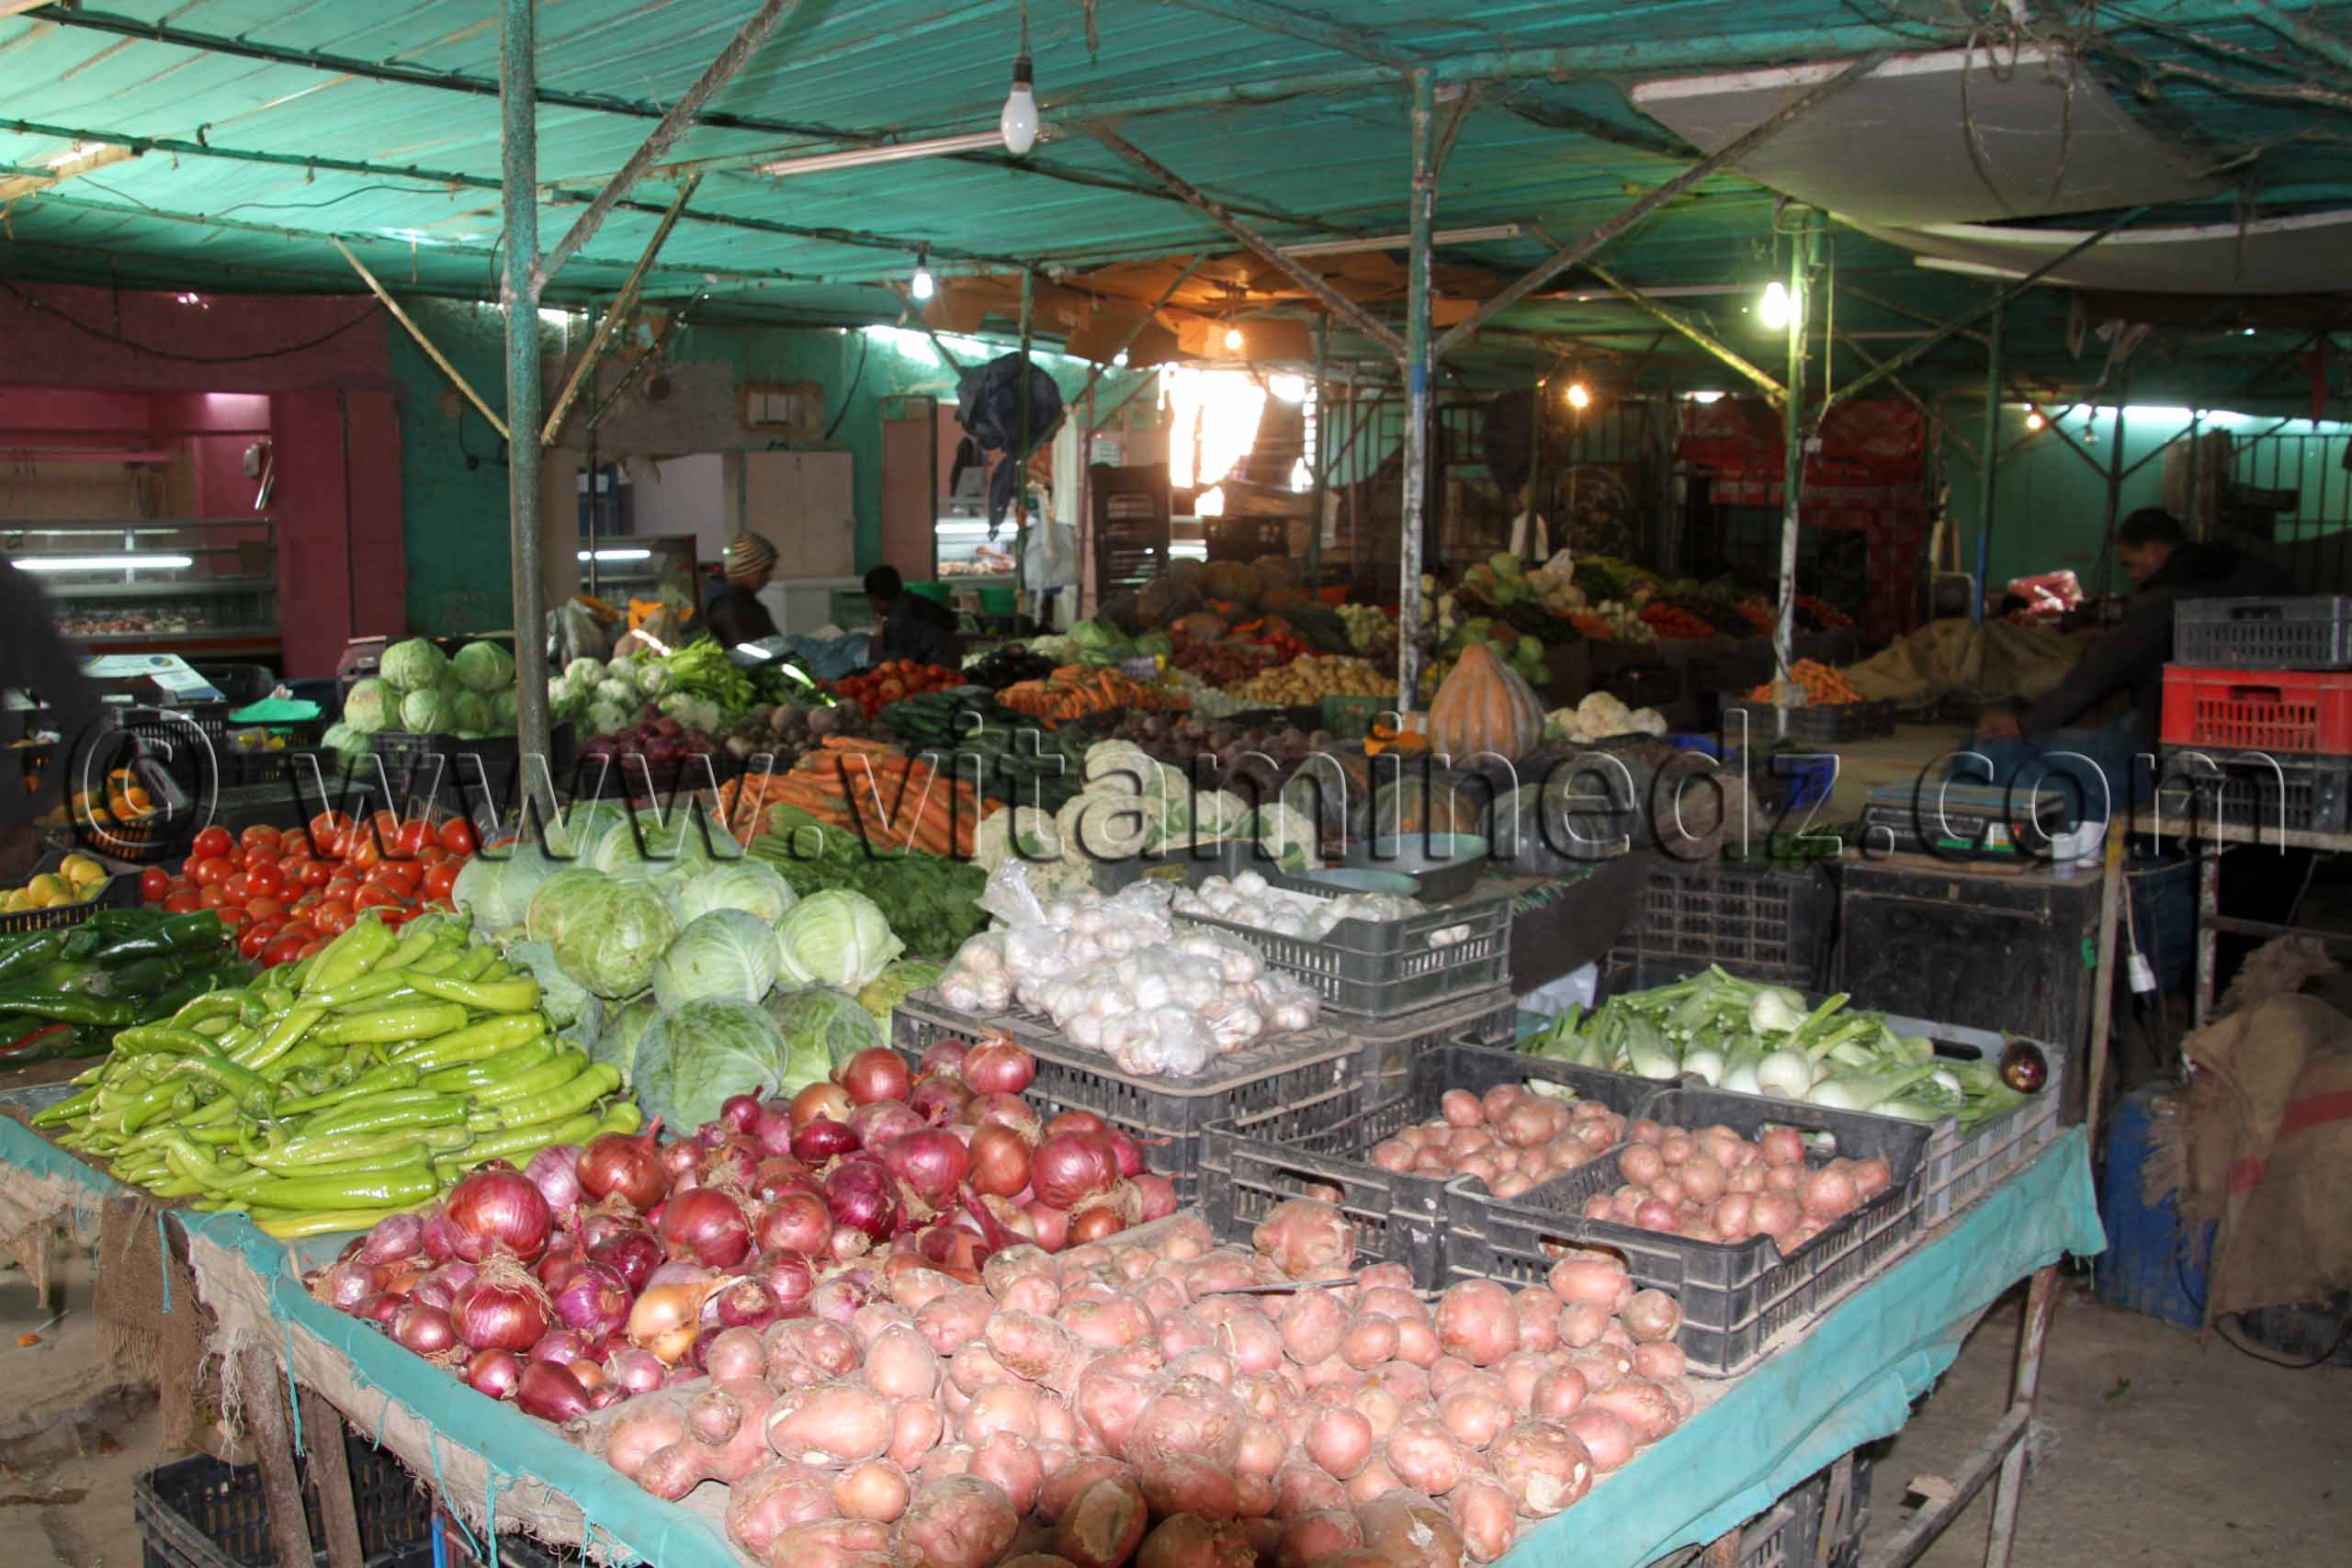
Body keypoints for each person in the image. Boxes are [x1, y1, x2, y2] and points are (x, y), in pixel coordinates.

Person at [1977, 508, 2293, 754]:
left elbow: (2100, 673)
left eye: (2130, 564)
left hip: (2220, 720)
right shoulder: (2228, 567)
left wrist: (2023, 723)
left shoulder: (2168, 596)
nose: (2131, 574)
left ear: (2155, 551)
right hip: (2280, 701)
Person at [865, 564, 961, 670]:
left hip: (936, 674)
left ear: (874, 598)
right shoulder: (911, 601)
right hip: (951, 668)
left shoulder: (898, 619)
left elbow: (895, 665)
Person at [703, 531, 781, 648]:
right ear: (745, 568)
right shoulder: (729, 607)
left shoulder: (740, 598)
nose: (768, 578)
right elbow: (750, 654)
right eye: (764, 570)